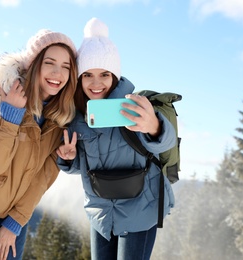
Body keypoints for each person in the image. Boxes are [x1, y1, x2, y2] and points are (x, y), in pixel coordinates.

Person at [56, 18, 176, 260]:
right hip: (101, 213)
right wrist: (68, 160)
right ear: (79, 78)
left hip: (140, 209)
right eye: (88, 74)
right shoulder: (79, 116)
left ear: (115, 75)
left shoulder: (136, 105)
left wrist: (153, 125)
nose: (96, 83)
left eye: (104, 74)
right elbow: (86, 166)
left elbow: (167, 141)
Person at [0, 29, 77, 260]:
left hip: (12, 207)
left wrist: (16, 220)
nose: (58, 73)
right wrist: (9, 118)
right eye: (49, 63)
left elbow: (41, 178)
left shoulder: (60, 117)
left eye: (66, 66)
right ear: (33, 65)